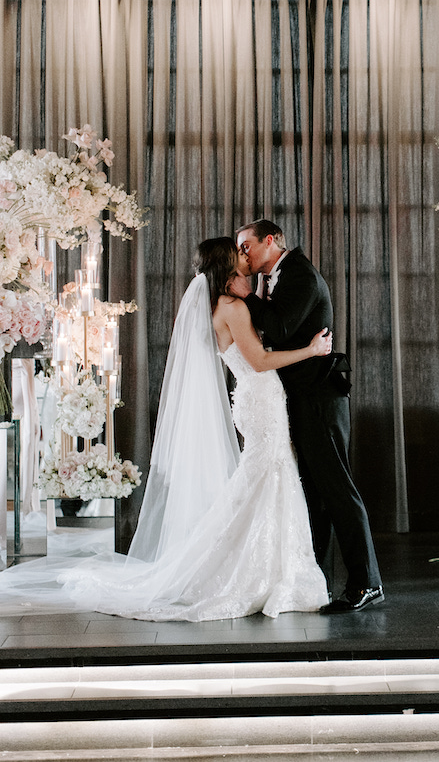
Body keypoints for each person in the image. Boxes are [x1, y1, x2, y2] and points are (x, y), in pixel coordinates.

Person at [0, 238, 332, 621]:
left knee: (266, 481)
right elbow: (258, 360)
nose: (246, 257)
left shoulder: (217, 305)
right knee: (265, 479)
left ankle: (270, 568)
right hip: (260, 399)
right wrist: (311, 350)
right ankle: (261, 571)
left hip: (256, 401)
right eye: (239, 255)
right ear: (227, 267)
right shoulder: (233, 307)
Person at [230, 219, 383, 612]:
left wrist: (246, 297)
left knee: (336, 489)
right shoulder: (277, 278)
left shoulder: (299, 273)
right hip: (302, 397)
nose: (242, 253)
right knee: (315, 494)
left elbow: (279, 327)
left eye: (246, 245)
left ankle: (367, 583)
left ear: (270, 240)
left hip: (319, 398)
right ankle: (316, 582)